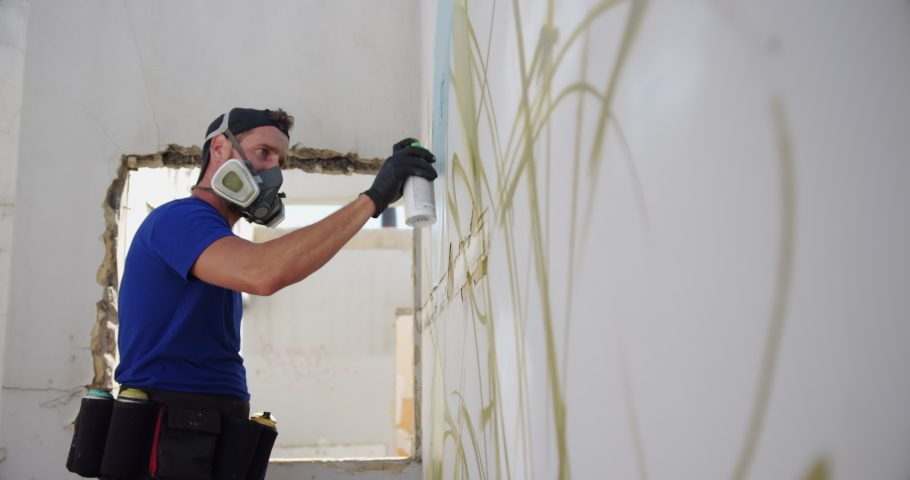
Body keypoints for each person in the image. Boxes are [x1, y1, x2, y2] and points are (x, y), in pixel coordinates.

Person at [113, 107, 437, 418]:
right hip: (171, 420)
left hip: (199, 421)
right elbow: (263, 272)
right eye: (263, 152)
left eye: (279, 161)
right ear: (220, 148)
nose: (272, 171)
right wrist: (374, 199)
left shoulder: (216, 237)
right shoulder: (179, 219)